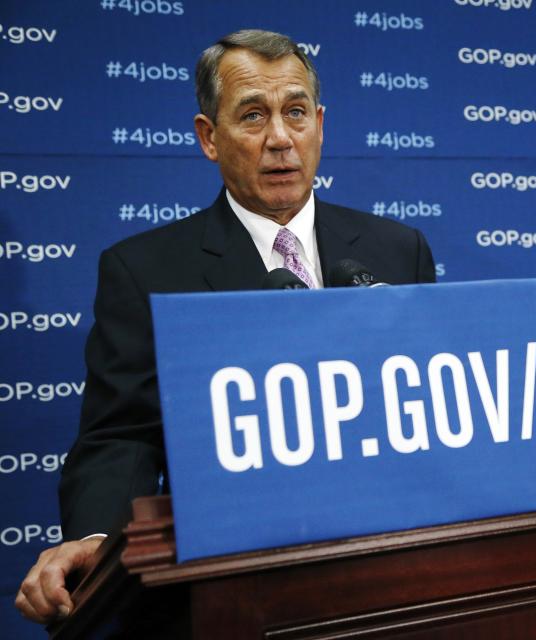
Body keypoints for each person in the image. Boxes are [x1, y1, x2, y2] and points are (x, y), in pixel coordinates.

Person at [15, 29, 435, 624]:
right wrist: (94, 537)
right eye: (253, 116)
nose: (280, 140)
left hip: (391, 567)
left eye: (295, 113)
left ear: (320, 123)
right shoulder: (145, 270)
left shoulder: (399, 250)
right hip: (242, 575)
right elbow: (121, 435)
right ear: (209, 137)